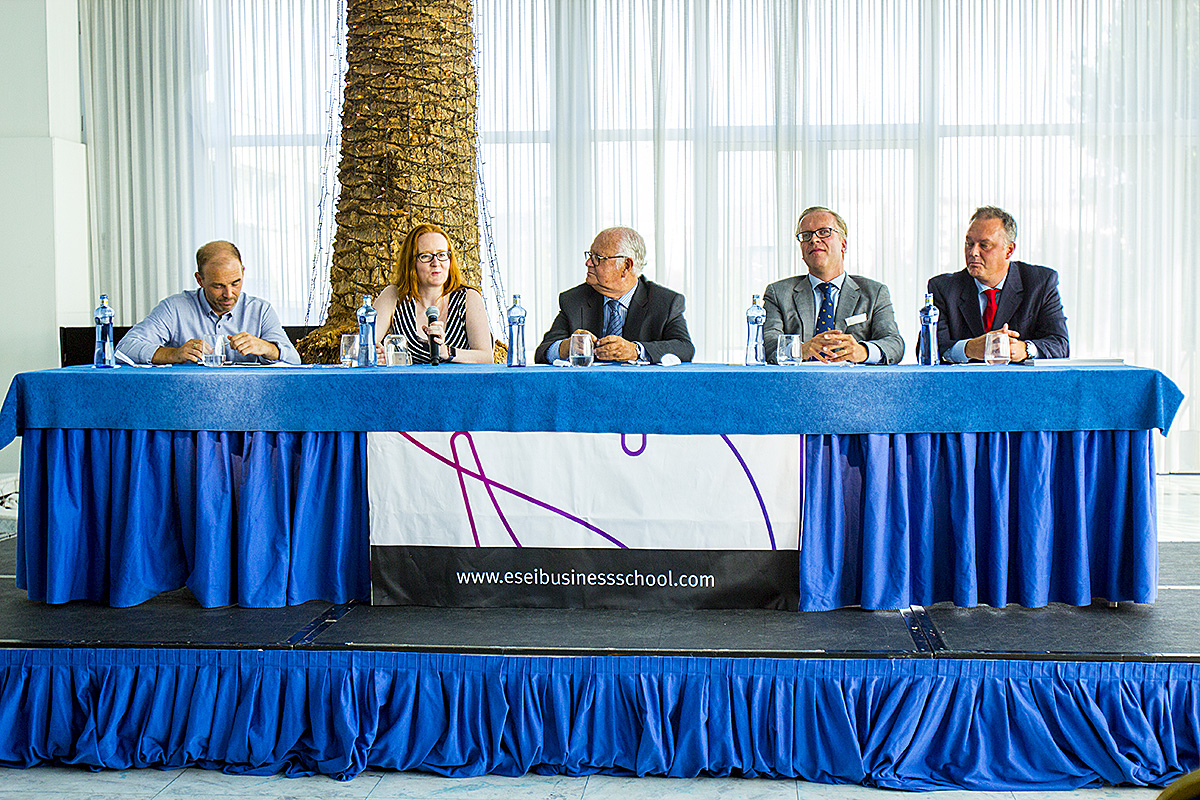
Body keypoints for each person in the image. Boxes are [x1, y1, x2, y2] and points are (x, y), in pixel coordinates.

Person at [116, 240, 301, 365]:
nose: (229, 294)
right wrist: (174, 354)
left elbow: (295, 360)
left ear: (243, 272)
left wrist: (267, 348)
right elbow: (124, 349)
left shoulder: (260, 310)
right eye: (218, 286)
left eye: (235, 283)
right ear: (200, 280)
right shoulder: (174, 309)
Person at [762, 207, 904, 364]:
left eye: (824, 232)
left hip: (853, 379)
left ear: (843, 244)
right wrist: (799, 350)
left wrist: (863, 351)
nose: (814, 240)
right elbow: (767, 343)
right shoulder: (779, 293)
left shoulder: (874, 292)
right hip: (798, 379)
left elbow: (894, 344)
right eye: (806, 235)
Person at [927, 206, 1069, 363]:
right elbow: (928, 348)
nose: (973, 252)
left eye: (984, 245)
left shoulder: (1040, 283)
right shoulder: (943, 288)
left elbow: (1060, 344)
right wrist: (968, 348)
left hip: (1018, 378)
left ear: (1009, 250)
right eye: (969, 243)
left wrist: (1025, 349)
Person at [534, 226, 694, 364]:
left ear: (626, 266)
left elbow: (685, 348)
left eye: (598, 258)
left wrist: (635, 351)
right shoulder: (574, 300)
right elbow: (542, 352)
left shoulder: (665, 302)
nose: (588, 263)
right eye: (590, 255)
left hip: (642, 387)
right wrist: (565, 348)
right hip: (588, 387)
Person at [373, 223, 494, 364]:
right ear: (411, 262)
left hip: (456, 379)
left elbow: (486, 358)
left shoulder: (468, 298)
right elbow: (365, 346)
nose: (436, 263)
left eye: (442, 255)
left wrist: (446, 352)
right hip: (408, 379)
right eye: (426, 256)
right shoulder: (395, 296)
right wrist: (376, 355)